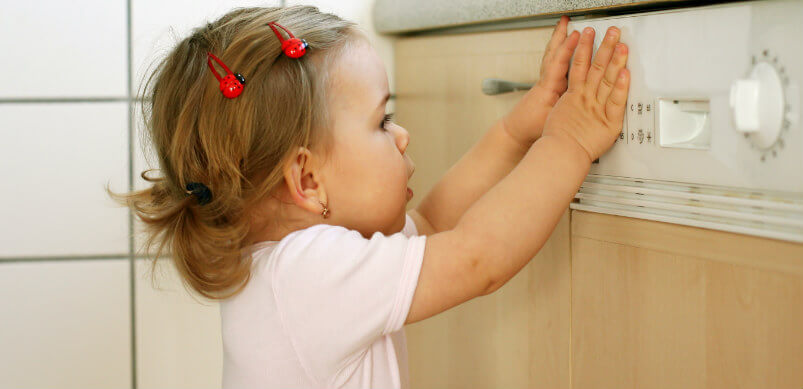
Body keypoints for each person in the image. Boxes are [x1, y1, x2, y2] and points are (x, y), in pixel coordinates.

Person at [111, 5, 629, 388]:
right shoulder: (307, 272)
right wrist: (571, 141)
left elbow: (431, 223)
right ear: (307, 181)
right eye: (382, 121)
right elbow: (476, 257)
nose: (401, 134)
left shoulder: (298, 261)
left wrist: (519, 130)